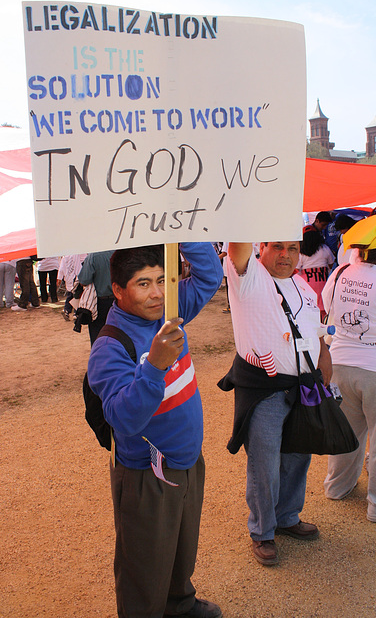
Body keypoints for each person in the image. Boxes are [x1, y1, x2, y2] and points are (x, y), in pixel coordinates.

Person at [88, 242, 223, 618]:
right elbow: (123, 418)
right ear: (118, 289)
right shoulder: (110, 346)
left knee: (182, 545)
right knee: (144, 562)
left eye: (163, 280)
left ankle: (180, 603)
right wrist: (155, 366)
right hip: (147, 473)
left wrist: (182, 230)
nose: (158, 293)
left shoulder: (170, 312)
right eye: (143, 283)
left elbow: (210, 276)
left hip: (187, 460)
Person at [218, 241, 332, 566]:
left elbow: (314, 327)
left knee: (298, 455)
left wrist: (324, 355)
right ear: (262, 248)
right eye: (277, 247)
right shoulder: (250, 277)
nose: (286, 255)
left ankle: (287, 516)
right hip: (264, 390)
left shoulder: (302, 284)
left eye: (293, 249)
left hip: (304, 387)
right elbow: (238, 249)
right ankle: (263, 531)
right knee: (264, 464)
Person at [322, 215, 376, 523]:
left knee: (346, 432)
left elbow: (327, 306)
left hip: (340, 365)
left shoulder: (340, 272)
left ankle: (337, 487)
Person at [77, 250, 115, 344]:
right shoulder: (120, 253)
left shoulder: (93, 256)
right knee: (117, 332)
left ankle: (100, 356)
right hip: (119, 300)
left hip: (99, 302)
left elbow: (84, 280)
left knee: (98, 334)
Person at [296, 229, 334, 321]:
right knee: (324, 309)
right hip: (323, 283)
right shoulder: (324, 249)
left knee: (309, 310)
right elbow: (331, 263)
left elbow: (296, 269)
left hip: (306, 285)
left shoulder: (301, 252)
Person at [57, 253, 87, 320]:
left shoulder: (66, 256)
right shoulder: (75, 254)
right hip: (77, 273)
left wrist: (59, 277)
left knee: (71, 294)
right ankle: (75, 313)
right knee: (77, 294)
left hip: (71, 275)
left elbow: (62, 267)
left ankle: (67, 310)